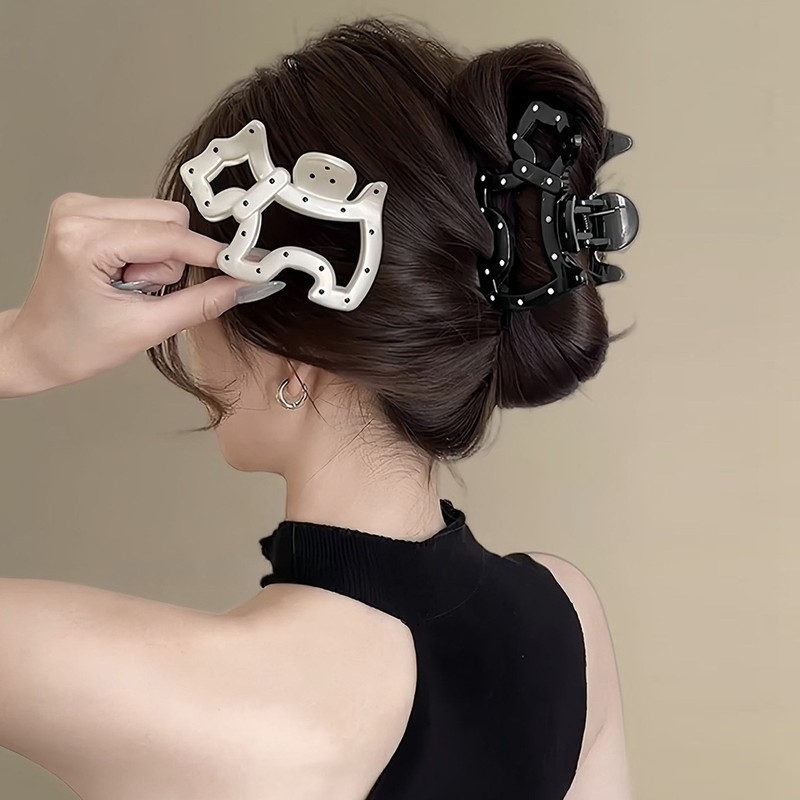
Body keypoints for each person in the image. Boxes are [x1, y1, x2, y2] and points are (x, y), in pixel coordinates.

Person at [0, 17, 633, 800]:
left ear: (296, 360)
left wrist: (21, 350)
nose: (187, 331)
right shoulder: (567, 617)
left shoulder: (192, 696)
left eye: (198, 294)